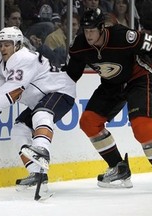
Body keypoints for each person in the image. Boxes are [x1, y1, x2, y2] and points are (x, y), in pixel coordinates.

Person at [0, 26, 76, 188]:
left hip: (60, 91)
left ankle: (42, 149)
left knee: (41, 114)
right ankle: (37, 173)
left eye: (7, 44)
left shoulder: (24, 58)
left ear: (17, 45)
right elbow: (4, 90)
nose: (3, 48)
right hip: (41, 98)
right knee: (19, 129)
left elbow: (14, 88)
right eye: (0, 44)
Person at [64, 8, 152, 188]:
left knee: (142, 127)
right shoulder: (80, 45)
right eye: (85, 30)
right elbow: (71, 75)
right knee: (88, 122)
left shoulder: (121, 36)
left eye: (92, 30)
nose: (88, 35)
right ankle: (118, 168)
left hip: (139, 79)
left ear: (102, 28)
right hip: (112, 85)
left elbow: (150, 44)